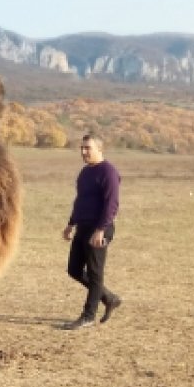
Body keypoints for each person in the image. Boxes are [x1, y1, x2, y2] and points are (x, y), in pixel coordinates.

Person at [61, 134, 122, 329]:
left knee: (95, 274)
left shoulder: (108, 172)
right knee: (74, 269)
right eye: (82, 148)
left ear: (100, 149)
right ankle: (109, 298)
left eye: (88, 148)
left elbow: (112, 204)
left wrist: (101, 230)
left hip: (99, 229)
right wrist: (71, 224)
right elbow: (80, 201)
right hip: (82, 227)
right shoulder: (85, 172)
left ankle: (88, 315)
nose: (83, 152)